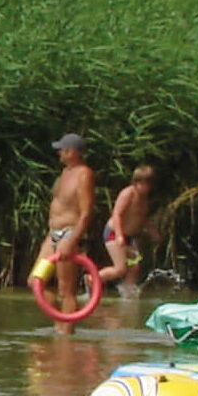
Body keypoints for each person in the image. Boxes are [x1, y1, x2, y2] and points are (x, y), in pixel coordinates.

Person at [37, 133, 96, 321]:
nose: (59, 154)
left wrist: (72, 240)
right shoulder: (65, 172)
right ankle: (59, 323)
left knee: (65, 290)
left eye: (61, 150)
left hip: (68, 233)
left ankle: (65, 337)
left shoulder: (84, 174)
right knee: (35, 281)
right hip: (53, 233)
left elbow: (86, 212)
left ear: (71, 152)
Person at [97, 164, 154, 293]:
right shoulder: (128, 193)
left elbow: (142, 218)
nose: (146, 187)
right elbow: (117, 214)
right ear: (136, 182)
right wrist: (119, 234)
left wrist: (153, 232)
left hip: (130, 236)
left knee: (134, 267)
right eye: (143, 183)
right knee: (120, 268)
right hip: (114, 232)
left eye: (148, 184)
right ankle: (93, 279)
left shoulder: (144, 198)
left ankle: (127, 292)